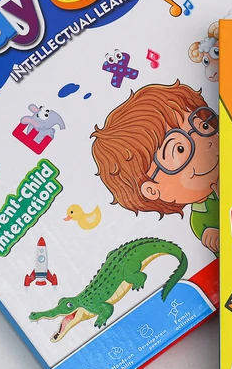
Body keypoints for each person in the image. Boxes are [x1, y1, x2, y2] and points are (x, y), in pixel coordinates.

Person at [90, 81, 220, 255]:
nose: (205, 142)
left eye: (203, 125)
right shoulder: (202, 218)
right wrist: (214, 235)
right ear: (152, 189)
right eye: (179, 149)